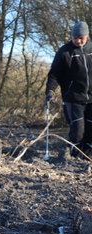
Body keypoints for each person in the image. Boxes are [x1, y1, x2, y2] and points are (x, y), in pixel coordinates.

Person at [46, 21, 92, 158]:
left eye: (81, 38)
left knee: (90, 130)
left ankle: (88, 156)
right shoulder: (64, 52)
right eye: (75, 38)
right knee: (78, 130)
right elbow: (54, 74)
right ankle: (74, 156)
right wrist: (50, 90)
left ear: (87, 36)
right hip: (73, 97)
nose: (78, 41)